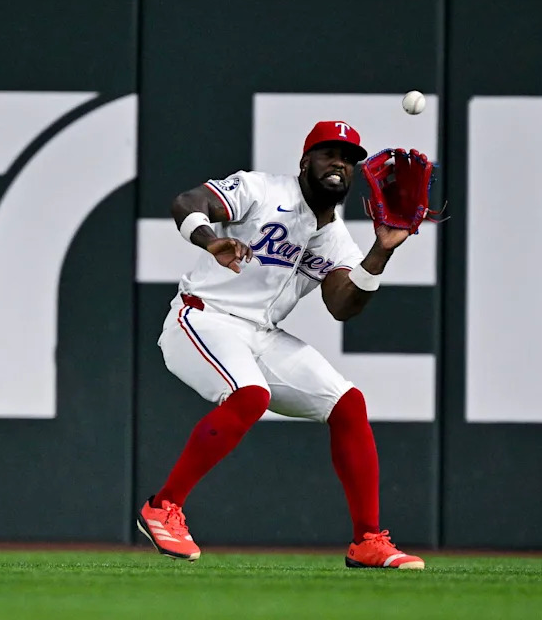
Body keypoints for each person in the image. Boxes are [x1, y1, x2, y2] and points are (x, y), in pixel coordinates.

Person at [136, 121, 425, 570]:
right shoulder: (260, 189)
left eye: (349, 159)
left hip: (261, 334)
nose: (340, 165)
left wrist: (381, 251)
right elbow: (187, 203)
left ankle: (367, 540)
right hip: (202, 316)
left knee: (347, 403)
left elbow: (343, 306)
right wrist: (212, 240)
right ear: (305, 161)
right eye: (329, 153)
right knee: (251, 395)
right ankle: (163, 506)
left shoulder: (336, 240)